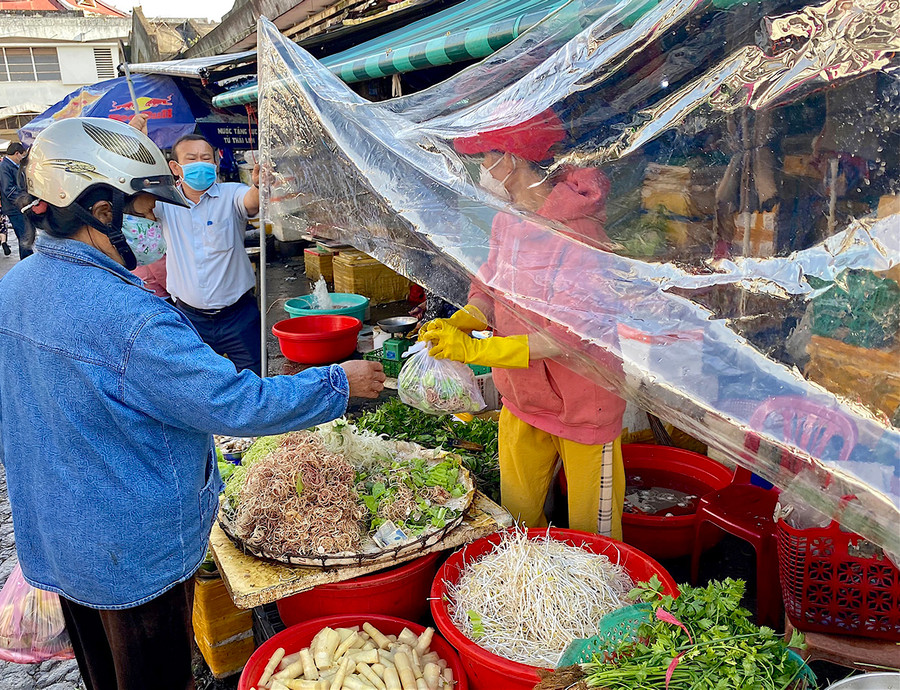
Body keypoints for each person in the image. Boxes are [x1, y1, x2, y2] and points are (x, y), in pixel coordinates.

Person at [0, 117, 385, 690]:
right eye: (140, 212)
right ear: (98, 211)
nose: (154, 226)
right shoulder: (132, 318)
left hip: (61, 536)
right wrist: (337, 383)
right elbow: (234, 403)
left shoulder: (17, 284)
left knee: (105, 676)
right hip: (132, 552)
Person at [421, 110, 628, 538]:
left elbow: (568, 337)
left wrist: (477, 351)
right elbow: (488, 288)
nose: (481, 170)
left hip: (584, 405)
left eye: (485, 157)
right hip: (522, 398)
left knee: (598, 535)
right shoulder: (506, 220)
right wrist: (466, 319)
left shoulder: (582, 237)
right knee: (515, 523)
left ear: (511, 159)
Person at [131, 114, 263, 375]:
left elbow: (251, 202)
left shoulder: (230, 193)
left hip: (239, 315)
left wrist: (259, 184)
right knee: (198, 384)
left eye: (206, 158)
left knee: (252, 380)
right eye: (191, 159)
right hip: (190, 318)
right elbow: (135, 197)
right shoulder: (164, 203)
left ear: (215, 163)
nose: (200, 164)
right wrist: (137, 144)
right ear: (175, 167)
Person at [0, 142, 30, 259]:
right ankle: (27, 261)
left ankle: (28, 259)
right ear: (17, 154)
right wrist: (25, 200)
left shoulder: (14, 166)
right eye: (23, 155)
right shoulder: (5, 167)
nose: (23, 158)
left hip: (20, 206)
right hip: (14, 208)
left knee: (26, 234)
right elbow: (8, 190)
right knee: (24, 235)